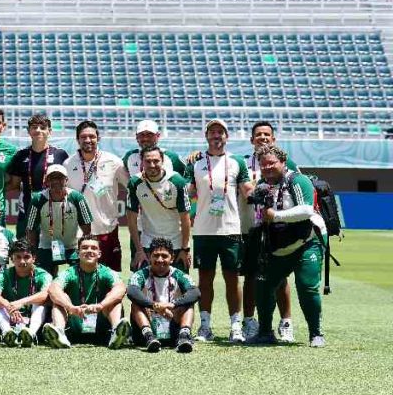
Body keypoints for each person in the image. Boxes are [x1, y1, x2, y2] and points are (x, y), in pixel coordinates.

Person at [251, 144, 326, 347]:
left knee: (307, 287)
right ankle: (265, 332)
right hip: (278, 247)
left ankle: (316, 333)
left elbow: (306, 210)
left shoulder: (297, 180)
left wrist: (275, 216)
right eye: (263, 164)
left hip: (307, 242)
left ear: (283, 163)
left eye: (271, 163)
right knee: (263, 285)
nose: (267, 167)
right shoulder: (261, 185)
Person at [186, 119, 254, 343]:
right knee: (205, 278)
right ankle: (205, 326)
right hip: (203, 229)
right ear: (206, 136)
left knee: (232, 279)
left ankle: (236, 326)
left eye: (221, 132)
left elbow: (247, 191)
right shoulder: (195, 163)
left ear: (227, 137)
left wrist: (261, 192)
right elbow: (187, 191)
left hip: (230, 229)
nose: (217, 136)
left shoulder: (236, 162)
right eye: (213, 132)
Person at [241, 120, 300, 342]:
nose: (263, 138)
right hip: (251, 229)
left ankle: (286, 323)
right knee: (250, 277)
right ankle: (249, 323)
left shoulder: (288, 162)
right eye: (258, 135)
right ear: (252, 140)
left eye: (267, 135)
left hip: (278, 229)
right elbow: (248, 192)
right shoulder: (244, 163)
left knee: (281, 278)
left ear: (273, 139)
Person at [44, 235, 130, 350]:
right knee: (59, 299)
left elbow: (121, 288)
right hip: (74, 324)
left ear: (99, 253)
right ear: (78, 253)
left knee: (114, 299)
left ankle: (116, 333)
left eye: (93, 248)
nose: (89, 251)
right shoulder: (69, 273)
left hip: (101, 326)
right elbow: (53, 289)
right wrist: (71, 308)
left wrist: (100, 306)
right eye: (84, 248)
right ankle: (60, 333)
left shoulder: (106, 272)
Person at [62, 121, 127, 272]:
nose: (88, 140)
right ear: (77, 139)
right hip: (79, 233)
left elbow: (132, 186)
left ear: (98, 138)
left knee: (111, 278)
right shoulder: (68, 164)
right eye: (83, 137)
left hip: (107, 230)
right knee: (81, 279)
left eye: (92, 136)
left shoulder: (114, 162)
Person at [126, 238, 199, 353]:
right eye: (156, 255)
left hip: (172, 323)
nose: (160, 260)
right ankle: (149, 336)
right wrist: (154, 305)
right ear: (149, 256)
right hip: (147, 324)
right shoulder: (140, 274)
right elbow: (131, 291)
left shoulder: (179, 275)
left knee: (188, 304)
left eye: (164, 256)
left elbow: (195, 293)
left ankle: (184, 337)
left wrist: (171, 305)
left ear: (172, 258)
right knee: (136, 304)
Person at [126, 146, 192, 271]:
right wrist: (139, 250)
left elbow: (185, 219)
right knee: (146, 288)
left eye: (156, 161)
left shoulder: (176, 181)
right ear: (142, 162)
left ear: (162, 161)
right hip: (148, 244)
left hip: (176, 244)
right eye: (148, 161)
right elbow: (131, 219)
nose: (152, 165)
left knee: (178, 288)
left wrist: (185, 249)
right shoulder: (135, 182)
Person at [8, 114, 69, 241]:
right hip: (27, 212)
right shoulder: (21, 155)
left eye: (43, 127)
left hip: (54, 213)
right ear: (29, 131)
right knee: (24, 253)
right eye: (34, 127)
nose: (38, 130)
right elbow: (14, 184)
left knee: (53, 255)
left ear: (49, 131)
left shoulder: (60, 154)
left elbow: (67, 184)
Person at [27, 165, 93, 276]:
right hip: (47, 245)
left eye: (60, 178)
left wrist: (83, 248)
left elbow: (87, 227)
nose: (56, 181)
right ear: (47, 181)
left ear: (66, 180)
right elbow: (31, 229)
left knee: (80, 275)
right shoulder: (38, 199)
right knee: (43, 277)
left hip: (73, 245)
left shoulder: (77, 198)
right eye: (52, 178)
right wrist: (32, 252)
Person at [0, 241, 52, 348]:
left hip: (33, 318)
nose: (22, 261)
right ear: (11, 258)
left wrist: (21, 302)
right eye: (18, 257)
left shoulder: (43, 275)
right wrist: (9, 306)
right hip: (11, 318)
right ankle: (7, 333)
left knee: (40, 304)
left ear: (34, 258)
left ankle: (30, 334)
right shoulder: (4, 275)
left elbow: (46, 294)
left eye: (26, 257)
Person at [120, 120, 185, 179]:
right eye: (142, 135)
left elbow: (186, 180)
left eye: (150, 134)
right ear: (137, 137)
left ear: (158, 136)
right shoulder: (130, 156)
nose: (145, 138)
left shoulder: (171, 157)